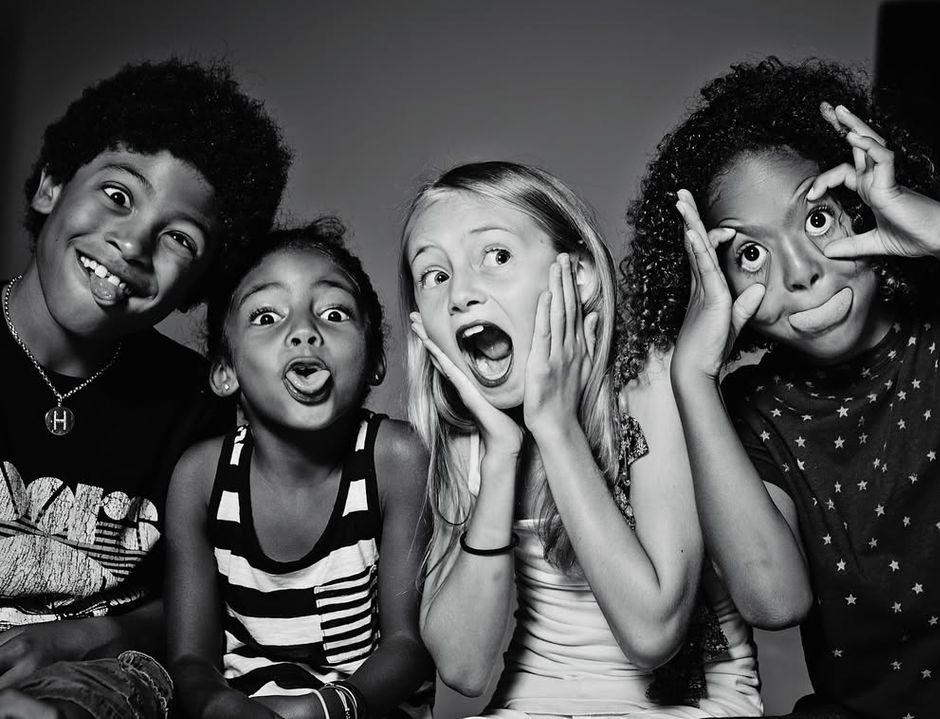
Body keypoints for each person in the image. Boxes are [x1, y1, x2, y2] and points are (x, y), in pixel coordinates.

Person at [617, 56, 940, 719]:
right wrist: (692, 376)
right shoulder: (756, 411)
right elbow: (773, 599)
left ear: (863, 206)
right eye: (751, 254)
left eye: (816, 220)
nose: (800, 272)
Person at [401, 161, 763, 718]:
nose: (462, 295)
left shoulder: (652, 382)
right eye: (435, 275)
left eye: (496, 257)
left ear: (580, 276)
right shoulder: (465, 435)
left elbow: (654, 632)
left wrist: (556, 426)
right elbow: (464, 670)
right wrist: (501, 457)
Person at [0, 57, 291, 717]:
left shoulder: (203, 408)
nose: (133, 243)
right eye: (118, 194)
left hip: (99, 683)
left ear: (197, 286)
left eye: (179, 239)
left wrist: (87, 634)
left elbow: (209, 606)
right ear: (50, 184)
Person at [165, 217, 435, 719]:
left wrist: (325, 710)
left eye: (334, 312)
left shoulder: (396, 458)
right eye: (266, 317)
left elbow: (408, 645)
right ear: (226, 372)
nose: (304, 332)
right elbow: (189, 658)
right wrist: (216, 706)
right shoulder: (201, 478)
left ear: (376, 358)